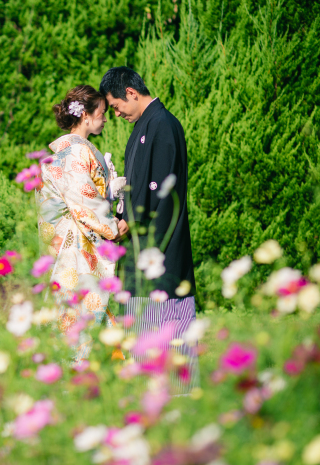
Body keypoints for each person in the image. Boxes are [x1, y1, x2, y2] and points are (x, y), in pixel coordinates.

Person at [99, 66, 198, 394]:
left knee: (165, 305)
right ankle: (150, 391)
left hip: (161, 241)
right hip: (145, 242)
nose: (117, 114)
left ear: (130, 92)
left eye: (115, 106)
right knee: (144, 310)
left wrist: (129, 218)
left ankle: (176, 392)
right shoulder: (147, 125)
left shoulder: (162, 125)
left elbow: (158, 187)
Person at [36, 84, 128, 362]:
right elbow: (84, 200)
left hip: (75, 241)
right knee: (81, 317)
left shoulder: (71, 150)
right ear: (86, 116)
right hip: (78, 243)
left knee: (82, 315)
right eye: (101, 112)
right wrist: (113, 227)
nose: (105, 118)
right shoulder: (73, 152)